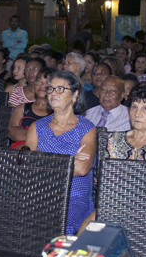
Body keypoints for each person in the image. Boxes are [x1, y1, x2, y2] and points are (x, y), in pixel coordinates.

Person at [24, 71, 95, 234]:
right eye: (51, 88)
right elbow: (27, 166)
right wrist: (70, 160)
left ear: (75, 94)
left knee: (59, 224)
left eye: (60, 89)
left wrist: (42, 163)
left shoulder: (87, 128)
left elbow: (82, 168)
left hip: (73, 198)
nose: (53, 93)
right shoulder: (37, 127)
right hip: (40, 195)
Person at [8, 68, 52, 149]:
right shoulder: (23, 107)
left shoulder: (57, 111)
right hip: (21, 151)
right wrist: (37, 137)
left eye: (47, 82)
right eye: (39, 81)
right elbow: (12, 131)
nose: (42, 85)